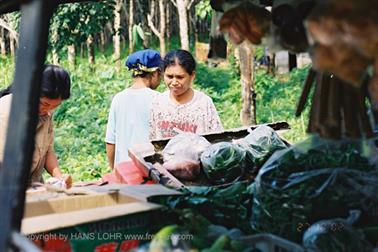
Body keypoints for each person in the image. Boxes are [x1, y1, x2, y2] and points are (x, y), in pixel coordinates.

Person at [0, 64, 73, 188]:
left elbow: (48, 150)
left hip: (31, 189)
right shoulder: (7, 110)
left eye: (55, 106)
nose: (48, 110)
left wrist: (59, 177)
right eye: (44, 104)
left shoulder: (46, 113)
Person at [105, 49, 162, 169]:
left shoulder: (118, 99)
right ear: (155, 73)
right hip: (150, 172)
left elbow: (110, 142)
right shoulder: (158, 99)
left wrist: (114, 171)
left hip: (123, 171)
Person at [149, 49, 223, 140]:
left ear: (192, 75)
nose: (174, 82)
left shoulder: (204, 103)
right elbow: (152, 139)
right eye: (169, 76)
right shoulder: (158, 103)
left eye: (180, 77)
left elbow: (217, 140)